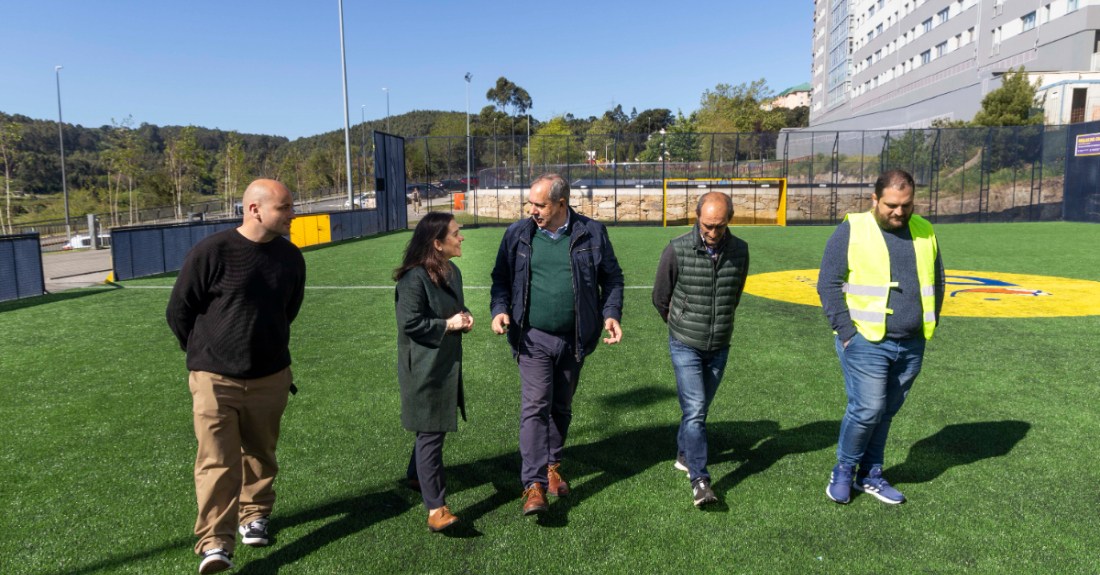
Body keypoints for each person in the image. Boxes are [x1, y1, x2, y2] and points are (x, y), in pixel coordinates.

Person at [166, 179, 305, 574]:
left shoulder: (292, 258)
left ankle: (254, 516)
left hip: (271, 375)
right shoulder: (212, 251)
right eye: (285, 207)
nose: (292, 213)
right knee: (216, 461)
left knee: (261, 454)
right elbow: (179, 311)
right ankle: (215, 543)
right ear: (254, 209)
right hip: (214, 378)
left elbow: (287, 310)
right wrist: (203, 356)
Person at [490, 173, 625, 516]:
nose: (531, 209)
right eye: (531, 203)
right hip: (531, 337)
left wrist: (611, 313)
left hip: (576, 339)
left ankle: (552, 467)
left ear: (561, 204)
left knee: (561, 407)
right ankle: (533, 484)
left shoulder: (592, 232)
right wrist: (500, 309)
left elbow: (611, 277)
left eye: (540, 204)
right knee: (535, 405)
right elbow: (501, 279)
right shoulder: (517, 234)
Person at [818, 169, 945, 505]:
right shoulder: (852, 229)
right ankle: (843, 470)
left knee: (886, 410)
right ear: (874, 199)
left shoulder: (924, 230)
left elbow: (938, 279)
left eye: (906, 205)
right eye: (891, 205)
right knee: (867, 409)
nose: (899, 212)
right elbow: (828, 284)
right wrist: (847, 334)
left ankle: (870, 474)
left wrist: (927, 322)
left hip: (913, 341)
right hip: (866, 340)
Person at [652, 192, 750, 507]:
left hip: (720, 343)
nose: (712, 232)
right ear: (697, 217)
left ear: (728, 222)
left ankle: (684, 453)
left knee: (699, 409)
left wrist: (718, 324)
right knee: (695, 410)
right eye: (707, 225)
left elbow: (735, 292)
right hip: (685, 343)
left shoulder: (740, 251)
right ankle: (700, 480)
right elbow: (660, 296)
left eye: (719, 227)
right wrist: (680, 323)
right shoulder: (677, 248)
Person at [394, 212, 473, 532]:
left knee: (431, 429)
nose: (461, 237)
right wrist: (449, 325)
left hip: (445, 364)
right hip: (424, 370)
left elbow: (455, 309)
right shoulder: (413, 279)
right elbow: (410, 323)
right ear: (437, 243)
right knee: (430, 435)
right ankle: (436, 509)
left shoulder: (452, 271)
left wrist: (464, 317)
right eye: (456, 233)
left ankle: (415, 475)